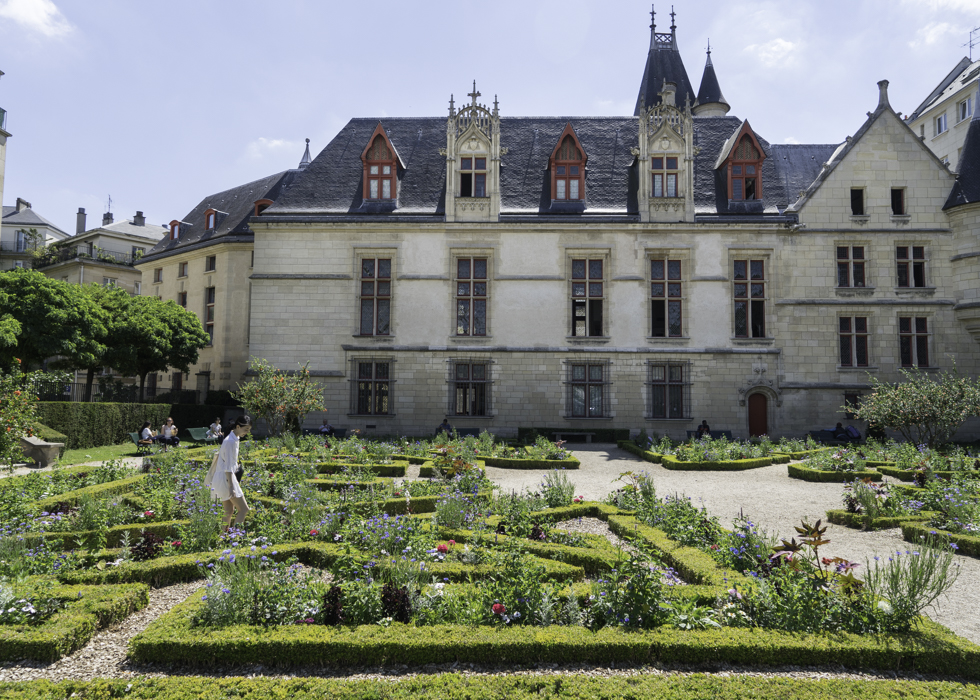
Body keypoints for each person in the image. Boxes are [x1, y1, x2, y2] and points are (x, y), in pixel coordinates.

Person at [204, 415, 252, 532]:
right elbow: (228, 467)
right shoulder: (230, 441)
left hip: (223, 477)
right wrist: (231, 487)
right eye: (246, 429)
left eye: (248, 430)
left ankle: (223, 537)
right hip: (227, 478)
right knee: (244, 509)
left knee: (228, 511)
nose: (247, 432)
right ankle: (235, 536)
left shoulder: (234, 438)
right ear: (238, 427)